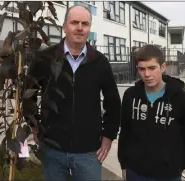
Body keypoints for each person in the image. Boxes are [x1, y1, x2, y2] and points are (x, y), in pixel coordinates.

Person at [28, 5, 121, 181]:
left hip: (89, 153)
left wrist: (109, 135)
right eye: (74, 22)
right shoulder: (44, 59)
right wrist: (34, 125)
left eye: (85, 23)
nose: (79, 27)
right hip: (52, 148)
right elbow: (28, 94)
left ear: (89, 28)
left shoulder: (100, 62)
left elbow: (113, 102)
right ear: (64, 27)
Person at [118, 45, 185, 181]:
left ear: (162, 67)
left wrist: (178, 166)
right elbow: (125, 132)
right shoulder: (130, 96)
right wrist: (125, 165)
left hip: (168, 174)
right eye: (142, 69)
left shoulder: (181, 99)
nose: (147, 74)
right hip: (136, 172)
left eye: (152, 68)